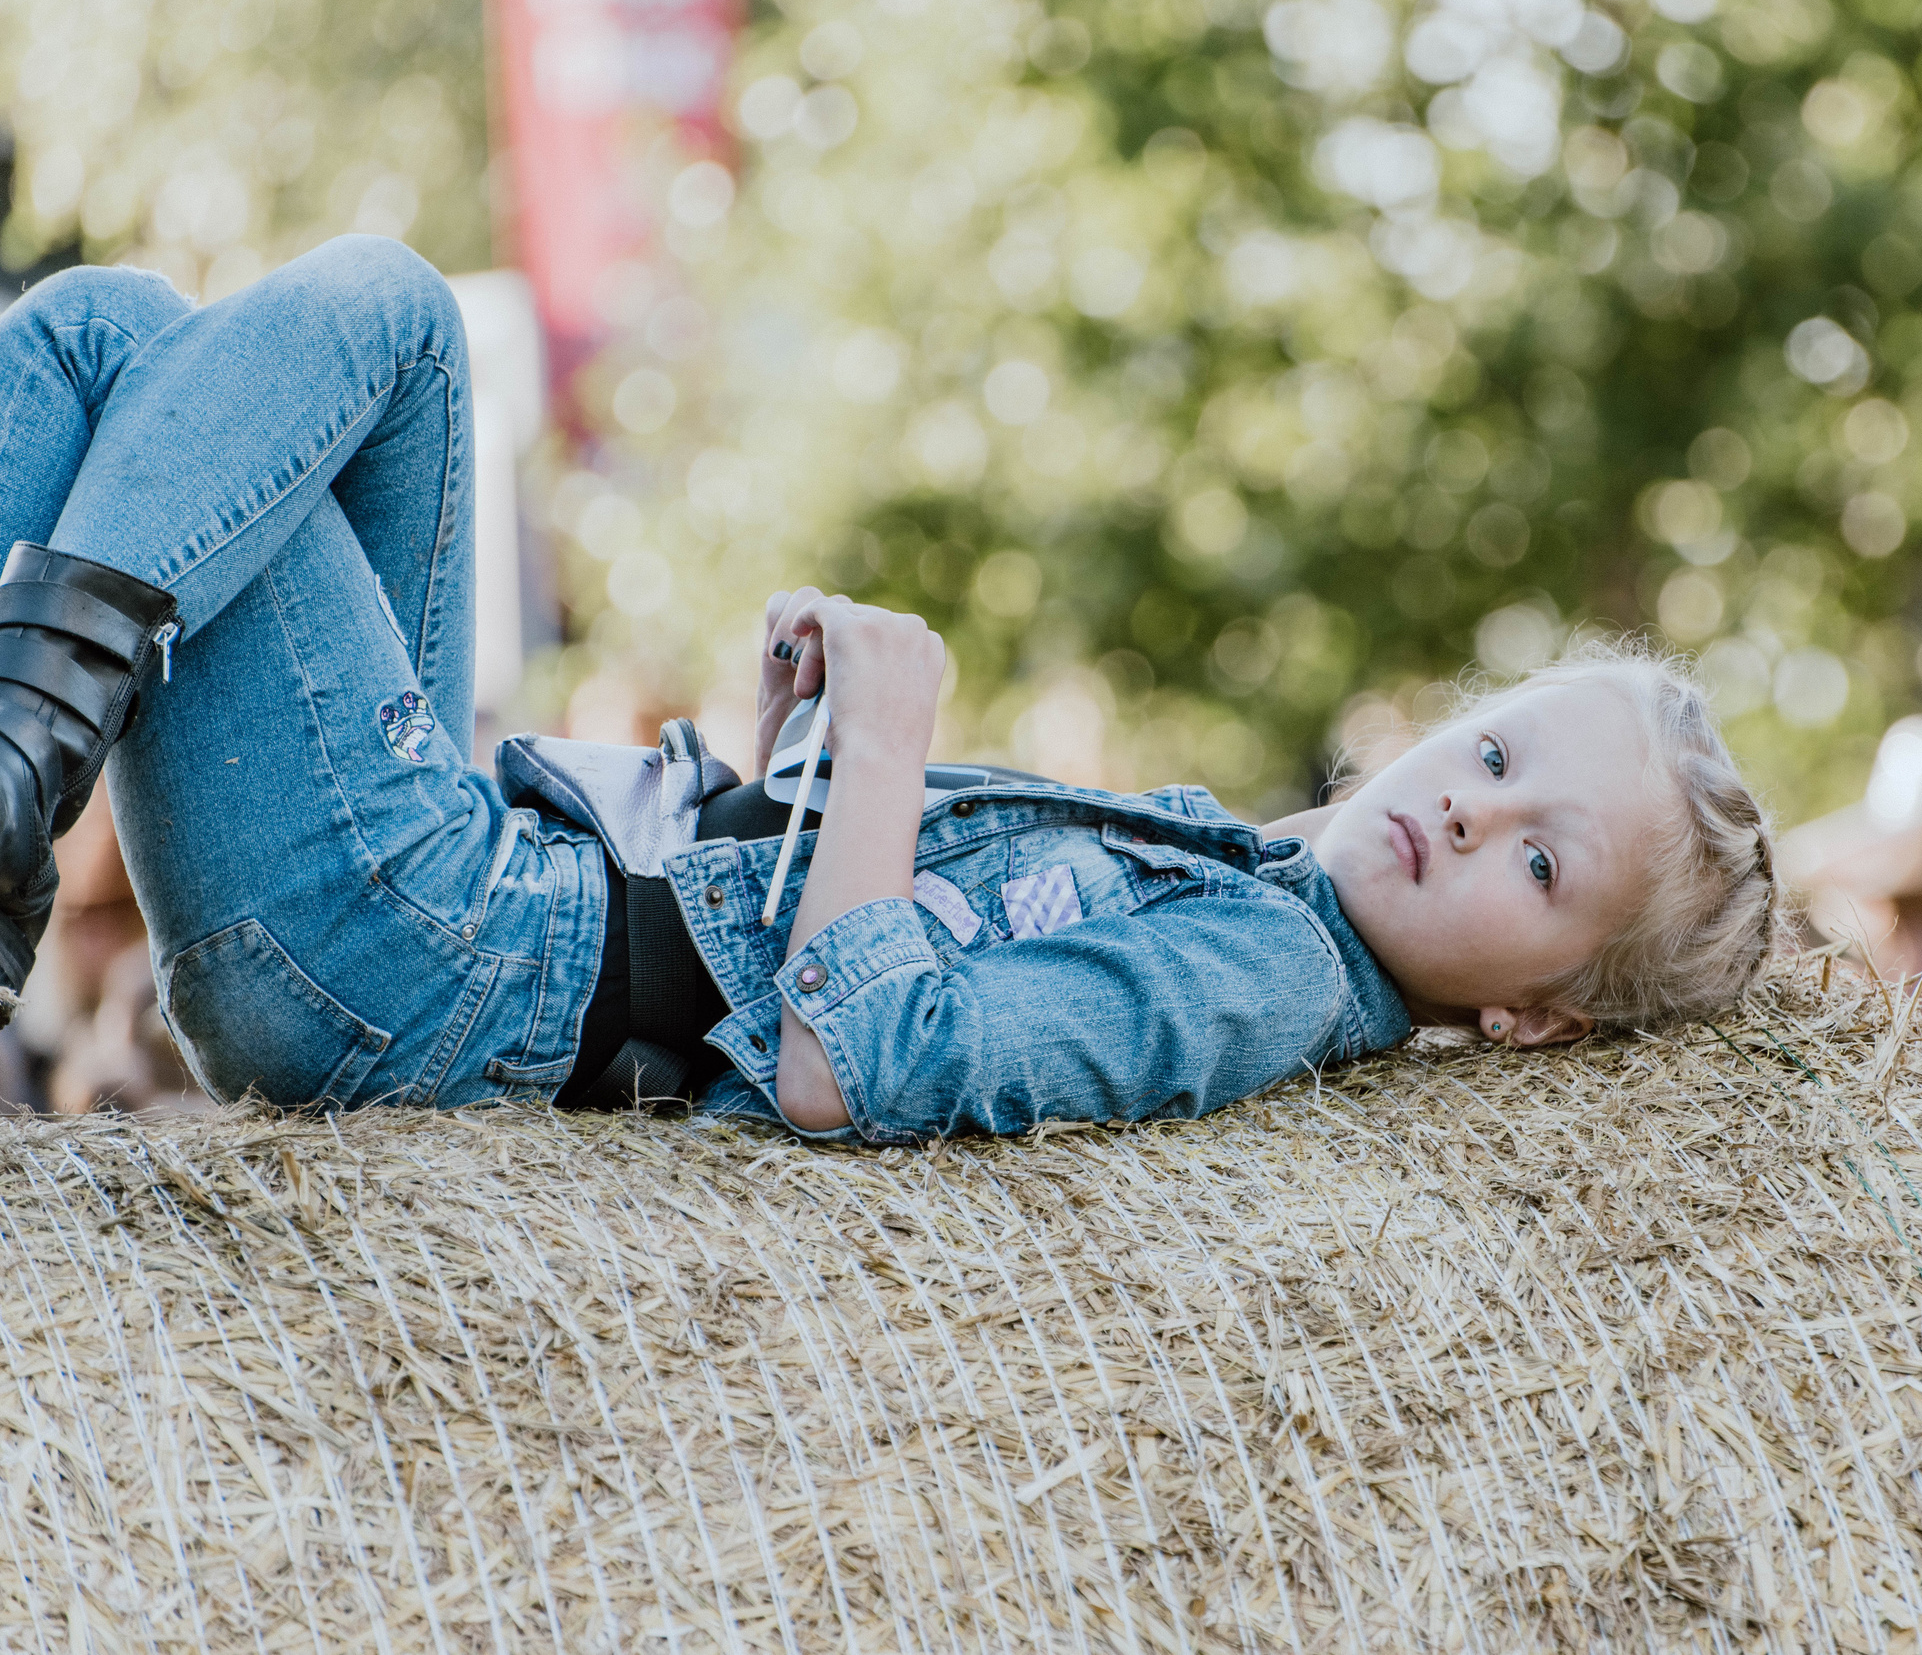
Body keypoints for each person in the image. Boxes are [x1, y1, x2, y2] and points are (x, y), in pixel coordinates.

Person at [0, 237, 1785, 1140]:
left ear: (1541, 1015)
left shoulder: (1266, 972)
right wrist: (803, 752)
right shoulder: (1240, 870)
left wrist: (902, 738)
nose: (1473, 807)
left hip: (440, 965)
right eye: (1494, 752)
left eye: (1540, 865)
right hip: (470, 887)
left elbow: (862, 1059)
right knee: (178, 330)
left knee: (282, 319)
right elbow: (803, 909)